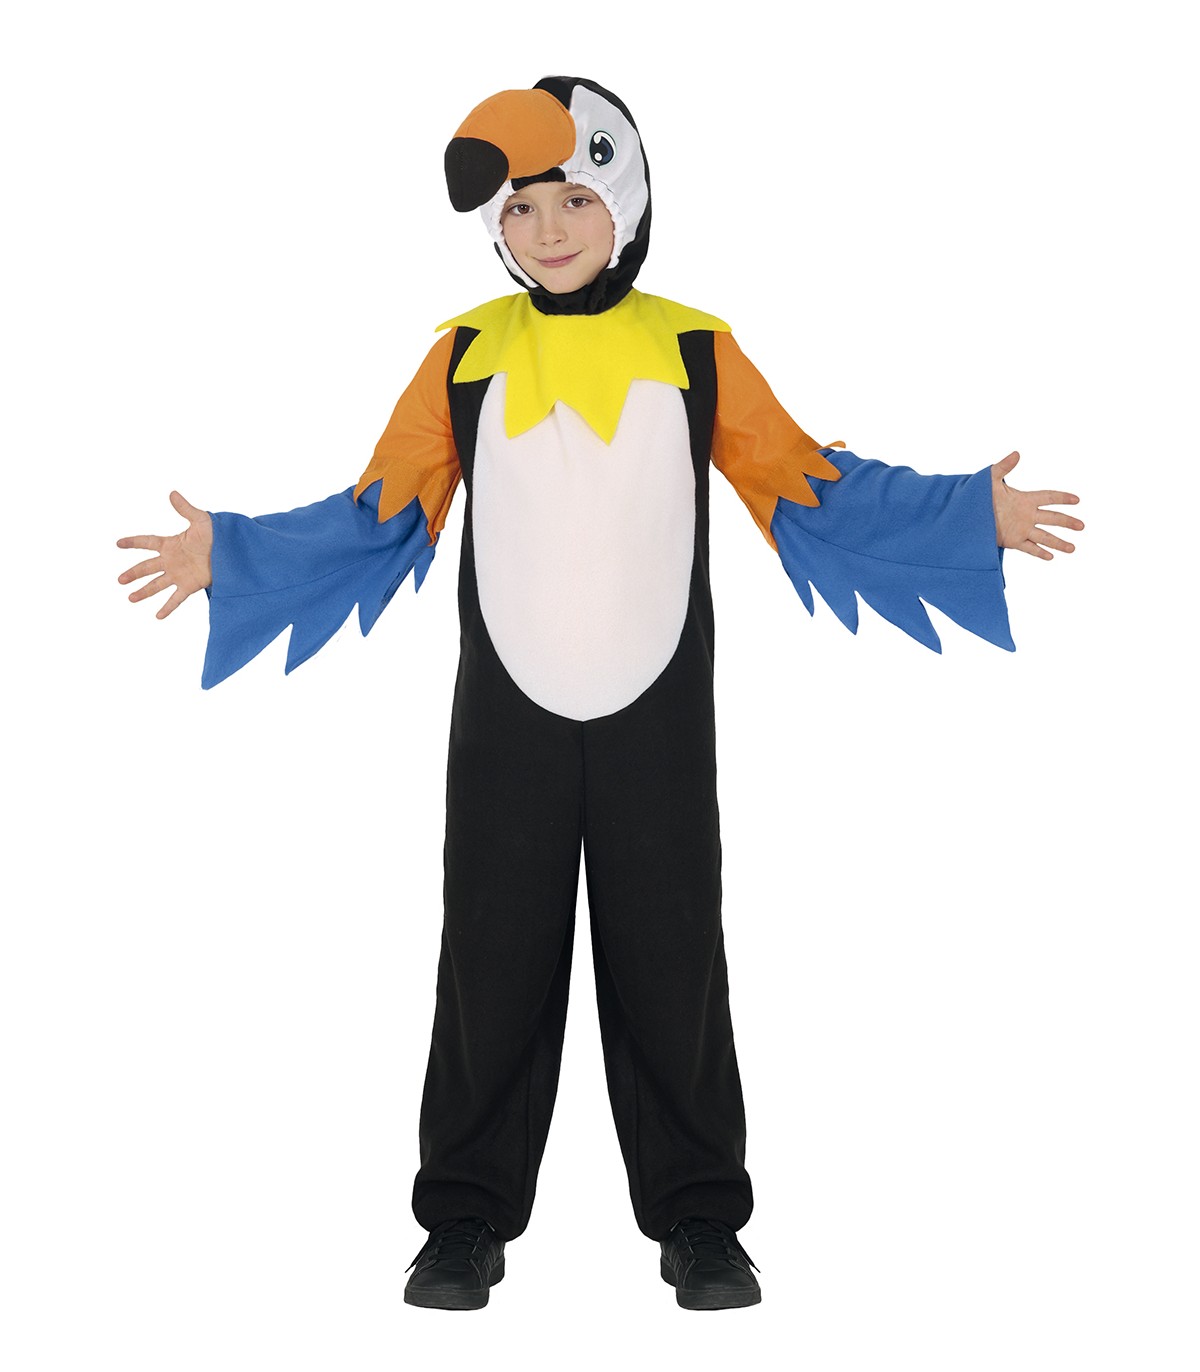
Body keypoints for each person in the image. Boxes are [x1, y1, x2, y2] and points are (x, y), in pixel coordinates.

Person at [117, 75, 1083, 1313]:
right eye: (522, 209)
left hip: (657, 721)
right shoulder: (466, 353)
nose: (550, 228)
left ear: (626, 202)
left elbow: (807, 484)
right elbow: (382, 513)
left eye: (575, 197)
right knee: (490, 957)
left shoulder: (693, 347)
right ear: (497, 230)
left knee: (673, 955)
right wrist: (237, 554)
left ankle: (700, 1217)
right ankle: (464, 1219)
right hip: (506, 724)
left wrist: (963, 515)